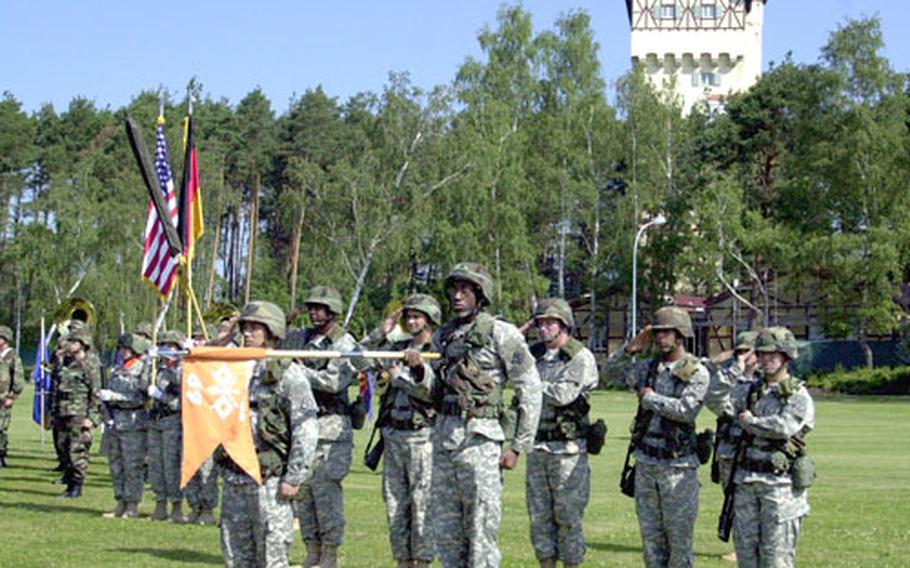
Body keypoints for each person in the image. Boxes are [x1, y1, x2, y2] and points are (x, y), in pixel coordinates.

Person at [429, 262, 542, 568]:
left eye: (465, 289)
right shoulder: (442, 336)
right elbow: (430, 389)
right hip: (443, 442)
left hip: (480, 442)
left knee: (481, 530)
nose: (457, 296)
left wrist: (518, 446)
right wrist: (415, 368)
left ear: (480, 295)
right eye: (453, 289)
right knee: (447, 533)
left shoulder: (501, 333)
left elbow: (530, 388)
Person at [219, 301, 319, 568]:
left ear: (272, 332)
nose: (247, 334)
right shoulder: (231, 370)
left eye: (255, 328)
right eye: (245, 328)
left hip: (269, 482)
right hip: (234, 477)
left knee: (272, 554)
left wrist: (294, 477)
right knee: (235, 555)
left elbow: (306, 429)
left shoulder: (288, 374)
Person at [714, 327, 815, 568]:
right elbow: (714, 397)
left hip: (780, 488)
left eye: (773, 354)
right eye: (761, 354)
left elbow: (784, 426)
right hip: (746, 482)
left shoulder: (797, 394)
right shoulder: (748, 390)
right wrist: (736, 366)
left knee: (776, 560)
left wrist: (750, 422)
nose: (766, 360)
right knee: (747, 559)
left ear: (787, 357)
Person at [620, 306, 709, 568]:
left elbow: (687, 410)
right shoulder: (648, 367)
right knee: (651, 542)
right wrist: (630, 350)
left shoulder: (696, 371)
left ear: (680, 334)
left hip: (677, 467)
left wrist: (650, 398)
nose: (660, 338)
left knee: (679, 543)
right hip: (647, 463)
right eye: (657, 333)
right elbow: (607, 375)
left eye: (666, 332)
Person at [361, 294, 441, 568]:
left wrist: (402, 378)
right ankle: (403, 561)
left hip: (423, 438)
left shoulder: (438, 350)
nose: (411, 321)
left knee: (422, 504)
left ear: (430, 320)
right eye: (408, 317)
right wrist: (379, 333)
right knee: (395, 504)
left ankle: (423, 561)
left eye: (417, 316)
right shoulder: (396, 348)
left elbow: (432, 393)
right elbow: (359, 360)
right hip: (393, 436)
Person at [283, 286, 359, 568]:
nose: (314, 312)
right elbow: (276, 343)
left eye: (320, 308)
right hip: (304, 423)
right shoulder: (302, 337)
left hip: (331, 428)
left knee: (326, 493)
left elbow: (333, 382)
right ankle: (311, 550)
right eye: (311, 307)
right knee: (303, 493)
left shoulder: (343, 343)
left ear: (332, 312)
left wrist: (297, 369)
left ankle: (329, 554)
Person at [524, 299, 599, 568]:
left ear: (564, 324)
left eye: (549, 323)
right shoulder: (533, 356)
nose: (543, 328)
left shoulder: (580, 357)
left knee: (567, 516)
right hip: (538, 447)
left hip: (567, 450)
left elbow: (563, 395)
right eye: (539, 323)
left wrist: (529, 382)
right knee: (539, 516)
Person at [704, 330, 759, 563]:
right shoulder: (730, 379)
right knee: (734, 502)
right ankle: (741, 549)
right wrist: (733, 365)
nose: (743, 357)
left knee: (759, 503)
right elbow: (712, 396)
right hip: (730, 451)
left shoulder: (766, 380)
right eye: (739, 351)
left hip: (757, 452)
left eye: (747, 351)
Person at [99, 332, 151, 518]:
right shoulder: (116, 369)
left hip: (133, 422)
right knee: (116, 464)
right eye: (121, 348)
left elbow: (140, 397)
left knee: (132, 466)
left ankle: (132, 504)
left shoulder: (142, 369)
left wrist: (114, 397)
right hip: (116, 422)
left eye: (126, 348)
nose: (123, 352)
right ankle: (120, 501)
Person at [52, 327, 100, 497]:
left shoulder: (89, 365)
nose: (69, 344)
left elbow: (96, 393)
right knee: (64, 447)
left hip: (79, 413)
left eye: (73, 341)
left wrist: (92, 418)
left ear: (83, 344)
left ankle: (76, 486)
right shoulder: (68, 363)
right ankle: (69, 482)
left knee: (77, 450)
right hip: (64, 412)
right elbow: (58, 385)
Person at [147, 330, 188, 522]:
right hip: (155, 420)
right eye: (164, 345)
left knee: (171, 465)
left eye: (171, 346)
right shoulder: (157, 367)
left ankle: (177, 506)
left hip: (173, 420)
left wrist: (162, 396)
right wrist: (149, 363)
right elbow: (141, 386)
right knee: (156, 465)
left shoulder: (182, 368)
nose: (167, 349)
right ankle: (160, 503)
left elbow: (183, 399)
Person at [185, 324, 222, 525]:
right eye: (195, 338)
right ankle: (194, 506)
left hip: (208, 421)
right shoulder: (189, 362)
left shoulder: (216, 363)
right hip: (190, 421)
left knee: (207, 468)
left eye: (201, 339)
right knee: (191, 467)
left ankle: (207, 508)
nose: (198, 342)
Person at [0, 325, 24, 469]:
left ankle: (1, 454)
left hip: (4, 398)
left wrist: (13, 396)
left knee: (1, 428)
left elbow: (18, 378)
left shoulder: (12, 356)